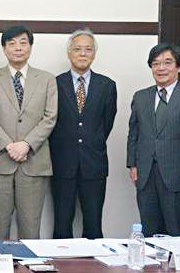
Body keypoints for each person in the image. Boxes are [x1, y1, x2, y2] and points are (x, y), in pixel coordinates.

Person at [0, 25, 57, 240]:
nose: (18, 48)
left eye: (23, 43)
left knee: (31, 226)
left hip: (33, 161)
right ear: (4, 49)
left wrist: (26, 144)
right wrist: (8, 145)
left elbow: (50, 117)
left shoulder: (46, 79)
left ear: (31, 47)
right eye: (12, 43)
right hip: (0, 161)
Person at [127, 43, 180, 236]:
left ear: (178, 67)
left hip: (179, 174)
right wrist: (132, 164)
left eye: (167, 62)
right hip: (145, 175)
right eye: (156, 63)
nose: (161, 68)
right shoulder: (141, 96)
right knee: (149, 231)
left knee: (177, 231)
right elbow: (133, 133)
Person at [49, 29, 117, 239]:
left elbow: (106, 124)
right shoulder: (54, 83)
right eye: (77, 49)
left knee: (93, 224)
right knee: (62, 223)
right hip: (62, 163)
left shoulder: (107, 85)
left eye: (88, 49)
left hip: (94, 164)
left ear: (94, 54)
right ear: (69, 53)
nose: (82, 54)